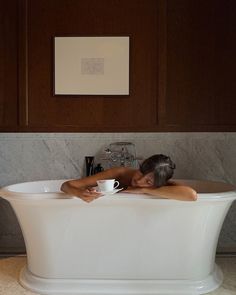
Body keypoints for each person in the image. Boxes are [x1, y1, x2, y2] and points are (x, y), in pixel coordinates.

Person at [61, 154, 197, 202]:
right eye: (140, 172)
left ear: (157, 184)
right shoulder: (119, 173)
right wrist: (79, 193)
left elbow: (192, 196)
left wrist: (145, 191)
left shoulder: (160, 186)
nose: (139, 181)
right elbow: (66, 185)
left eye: (148, 182)